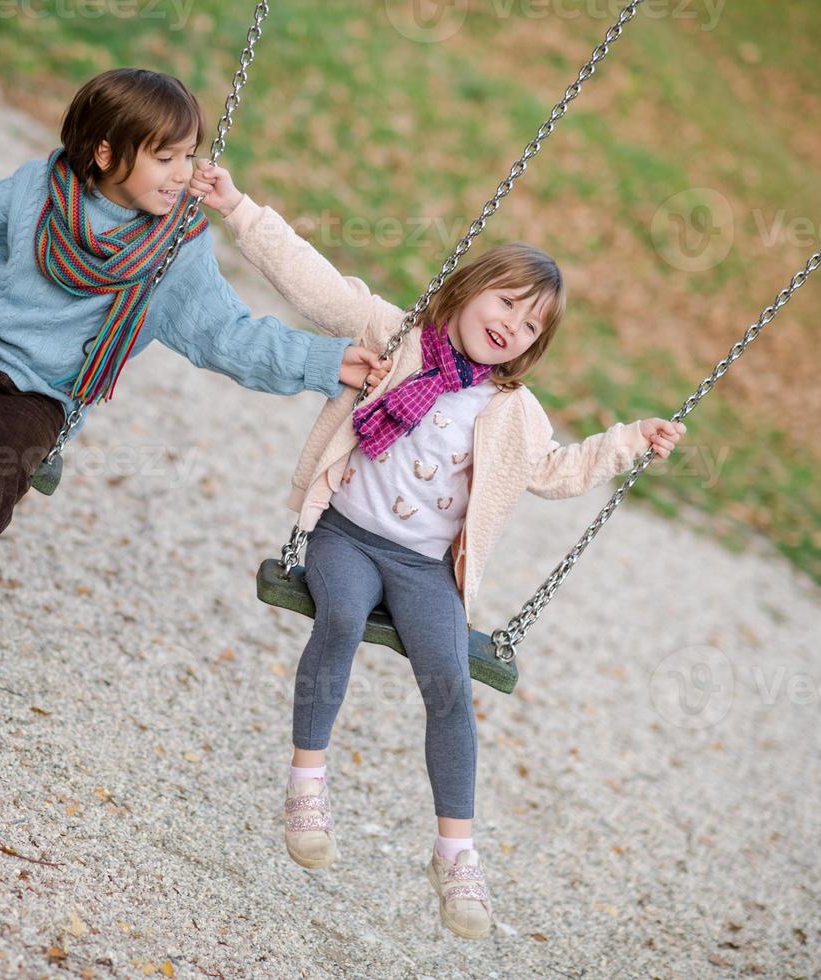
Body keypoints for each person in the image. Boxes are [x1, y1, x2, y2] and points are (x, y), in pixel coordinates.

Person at [188, 159, 686, 939]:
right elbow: (314, 282)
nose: (511, 327)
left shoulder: (513, 412)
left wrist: (628, 442)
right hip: (347, 537)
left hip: (425, 571)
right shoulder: (398, 335)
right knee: (341, 620)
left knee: (449, 683)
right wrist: (239, 208)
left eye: (529, 327)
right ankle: (306, 784)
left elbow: (555, 473)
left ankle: (456, 855)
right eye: (506, 303)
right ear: (470, 287)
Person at [0, 68, 391, 708]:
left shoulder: (174, 250)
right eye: (165, 157)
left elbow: (227, 334)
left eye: (189, 155)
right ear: (105, 153)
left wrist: (324, 361)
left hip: (45, 392)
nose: (184, 173)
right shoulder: (39, 189)